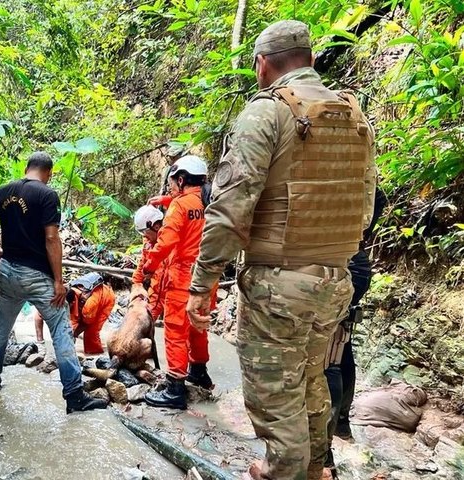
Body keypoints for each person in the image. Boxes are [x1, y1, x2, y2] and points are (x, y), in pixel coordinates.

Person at [185, 20, 377, 480]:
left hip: (279, 283)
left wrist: (202, 285)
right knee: (312, 380)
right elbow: (366, 203)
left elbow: (230, 207)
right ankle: (314, 469)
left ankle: (281, 472)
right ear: (310, 59)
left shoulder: (267, 112)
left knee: (275, 394)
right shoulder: (355, 115)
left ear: (263, 64)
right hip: (336, 280)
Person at [0, 152, 107, 413]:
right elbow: (52, 239)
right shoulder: (47, 195)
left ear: (26, 168)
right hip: (37, 275)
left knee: (0, 328)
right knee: (60, 328)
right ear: (49, 173)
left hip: (8, 272)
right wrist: (58, 281)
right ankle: (75, 396)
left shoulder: (6, 190)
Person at [140, 155, 218, 410]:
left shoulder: (180, 206)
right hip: (207, 278)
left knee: (175, 330)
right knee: (198, 326)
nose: (170, 188)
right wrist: (165, 200)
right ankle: (198, 371)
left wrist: (148, 268)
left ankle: (175, 388)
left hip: (183, 276)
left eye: (173, 183)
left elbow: (166, 242)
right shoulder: (210, 201)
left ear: (181, 179)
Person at [323, 188, 387, 478]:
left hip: (340, 261)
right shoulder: (361, 174)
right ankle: (341, 422)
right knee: (340, 345)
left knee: (327, 358)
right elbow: (380, 197)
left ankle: (323, 451)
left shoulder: (336, 169)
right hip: (355, 259)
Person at [131, 205, 167, 321]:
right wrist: (136, 284)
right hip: (156, 292)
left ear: (156, 226)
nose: (144, 235)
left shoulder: (170, 240)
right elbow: (142, 263)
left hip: (171, 292)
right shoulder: (148, 242)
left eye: (145, 232)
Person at [67, 272, 116, 355]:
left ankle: (95, 353)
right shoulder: (69, 291)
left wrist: (75, 334)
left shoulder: (89, 306)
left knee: (91, 331)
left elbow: (87, 323)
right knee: (72, 324)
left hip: (106, 300)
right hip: (91, 302)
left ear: (73, 301)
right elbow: (73, 320)